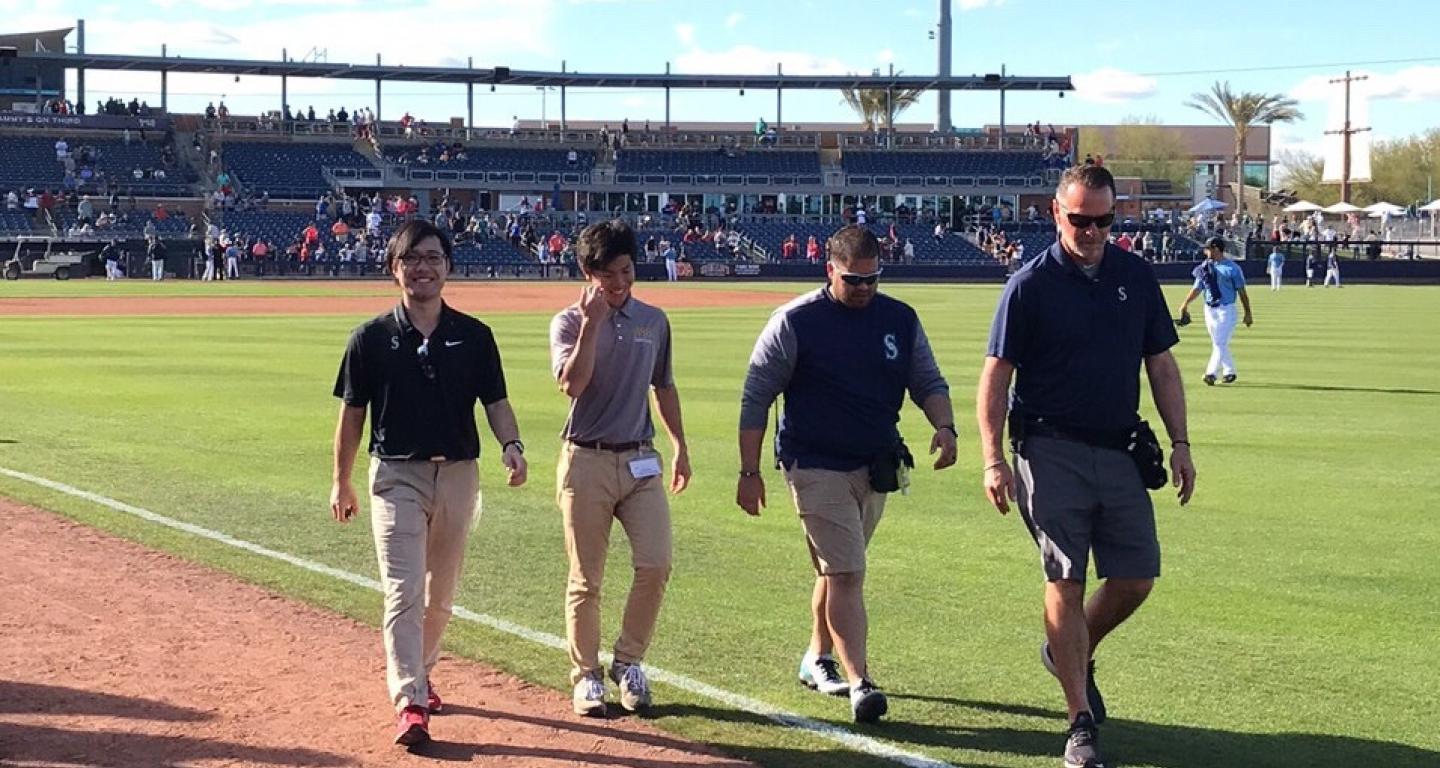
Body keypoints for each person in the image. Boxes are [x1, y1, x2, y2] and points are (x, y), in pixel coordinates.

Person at [976, 165, 1195, 768]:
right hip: (1048, 451)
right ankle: (1078, 722)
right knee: (1065, 579)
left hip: (1119, 447)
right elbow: (996, 377)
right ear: (1056, 213)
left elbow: (1162, 366)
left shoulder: (1134, 275)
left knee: (1136, 577)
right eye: (1080, 220)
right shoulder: (1029, 285)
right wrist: (993, 458)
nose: (1093, 231)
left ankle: (1067, 651)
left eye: (1104, 220)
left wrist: (1181, 442)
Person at [737, 225, 957, 724]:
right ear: (829, 270)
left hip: (875, 464)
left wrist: (945, 426)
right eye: (853, 280)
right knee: (848, 572)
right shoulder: (796, 321)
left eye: (872, 280)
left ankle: (816, 658)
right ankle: (861, 683)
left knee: (835, 571)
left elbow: (926, 379)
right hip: (813, 463)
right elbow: (757, 396)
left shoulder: (900, 318)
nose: (863, 289)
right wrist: (749, 470)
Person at [329, 220, 528, 747]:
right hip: (396, 474)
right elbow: (351, 415)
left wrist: (512, 445)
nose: (422, 267)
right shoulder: (369, 339)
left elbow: (496, 403)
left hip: (459, 474)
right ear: (395, 268)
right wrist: (341, 481)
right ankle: (410, 700)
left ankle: (423, 669)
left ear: (448, 267)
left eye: (433, 257)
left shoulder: (475, 336)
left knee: (440, 596)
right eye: (411, 258)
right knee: (403, 590)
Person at [549, 220, 691, 717]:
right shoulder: (567, 323)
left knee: (656, 564)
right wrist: (592, 323)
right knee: (586, 578)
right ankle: (586, 676)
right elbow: (573, 386)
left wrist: (680, 446)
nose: (620, 283)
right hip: (585, 459)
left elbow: (663, 386)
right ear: (588, 272)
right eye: (609, 275)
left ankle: (629, 661)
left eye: (627, 271)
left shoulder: (654, 320)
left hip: (640, 459)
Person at [1177, 236, 1253, 385]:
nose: (1205, 252)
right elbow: (1197, 288)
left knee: (1219, 342)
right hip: (1210, 310)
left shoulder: (1232, 268)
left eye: (1208, 249)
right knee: (1218, 342)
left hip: (1227, 309)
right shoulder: (1204, 267)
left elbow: (1242, 292)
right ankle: (1229, 371)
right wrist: (1185, 304)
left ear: (1216, 249)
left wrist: (1248, 313)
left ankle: (1210, 373)